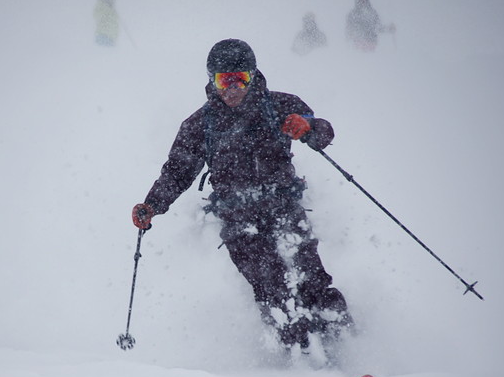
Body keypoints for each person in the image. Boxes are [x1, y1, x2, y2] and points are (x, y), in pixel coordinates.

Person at [132, 39, 352, 359]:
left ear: (253, 76)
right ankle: (299, 359)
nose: (232, 89)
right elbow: (177, 173)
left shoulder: (279, 106)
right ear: (212, 81)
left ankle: (346, 346)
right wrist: (152, 205)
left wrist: (308, 128)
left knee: (310, 278)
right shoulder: (199, 125)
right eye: (224, 80)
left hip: (284, 208)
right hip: (238, 220)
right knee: (270, 285)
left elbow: (323, 133)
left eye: (240, 79)